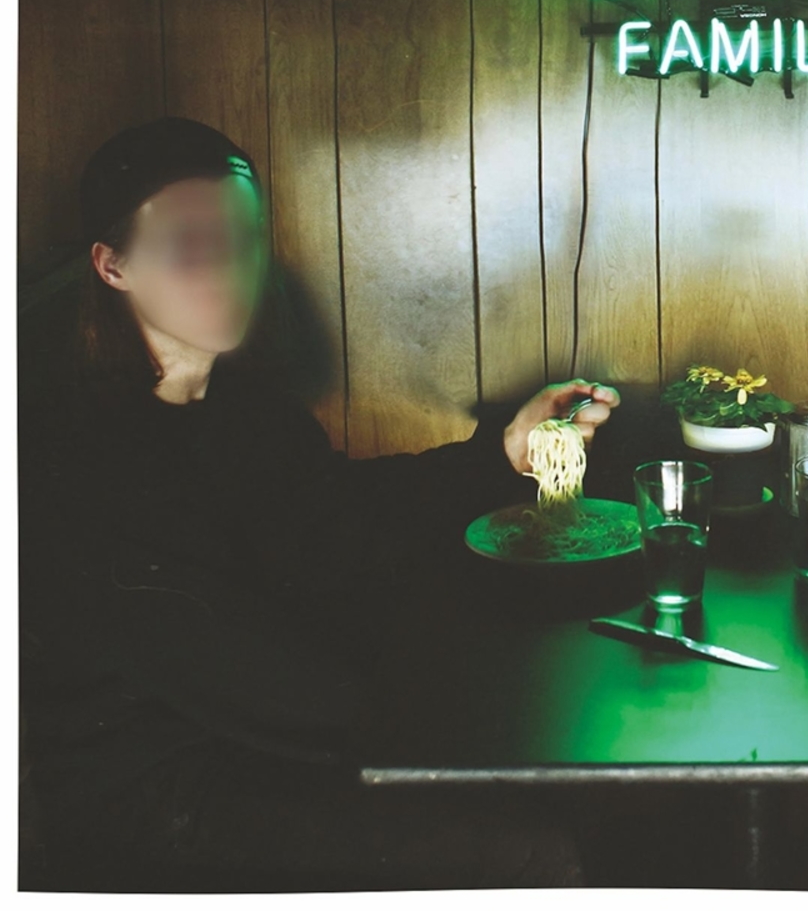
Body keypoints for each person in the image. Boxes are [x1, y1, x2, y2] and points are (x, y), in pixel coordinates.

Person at [18, 115, 621, 890]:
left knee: (555, 801)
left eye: (243, 236)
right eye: (189, 243)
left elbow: (342, 516)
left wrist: (504, 454)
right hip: (161, 791)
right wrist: (445, 717)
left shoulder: (247, 410)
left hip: (266, 738)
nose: (227, 266)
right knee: (530, 845)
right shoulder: (75, 451)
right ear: (113, 265)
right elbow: (230, 661)